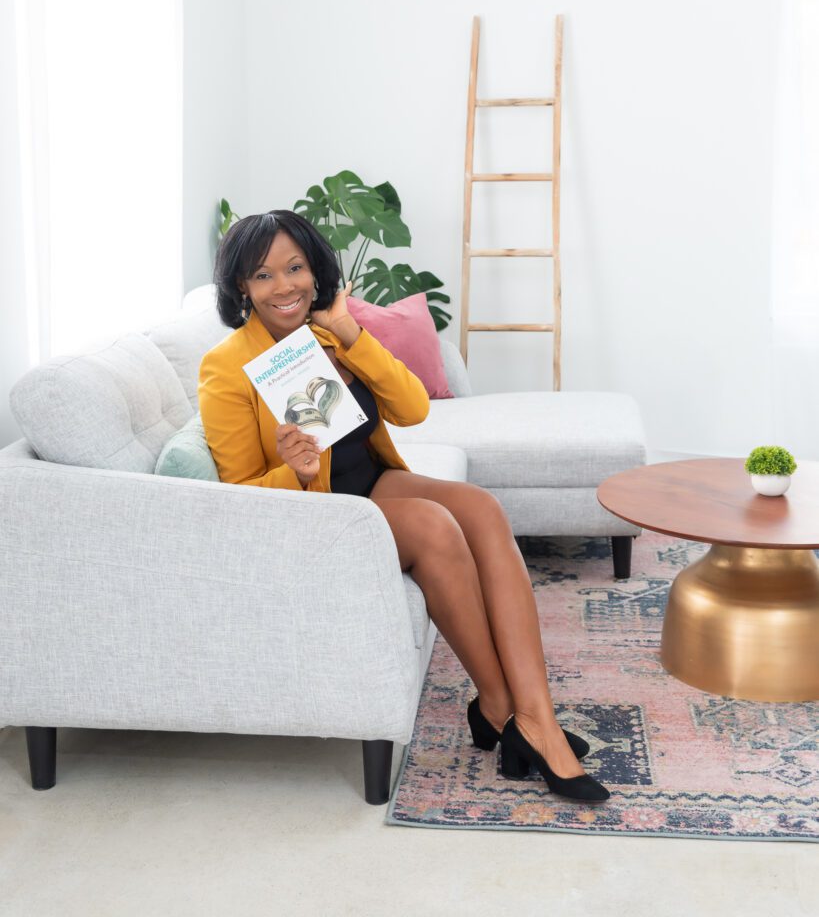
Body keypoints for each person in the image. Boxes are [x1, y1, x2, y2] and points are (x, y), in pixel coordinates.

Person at [199, 209, 610, 803]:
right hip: (316, 511)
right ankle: (504, 710)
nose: (284, 285)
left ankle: (530, 715)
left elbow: (414, 409)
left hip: (373, 481)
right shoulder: (225, 366)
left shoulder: (324, 336)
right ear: (241, 286)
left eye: (295, 267)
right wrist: (296, 470)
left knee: (483, 509)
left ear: (315, 269)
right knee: (435, 526)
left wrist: (351, 335)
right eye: (263, 276)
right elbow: (239, 496)